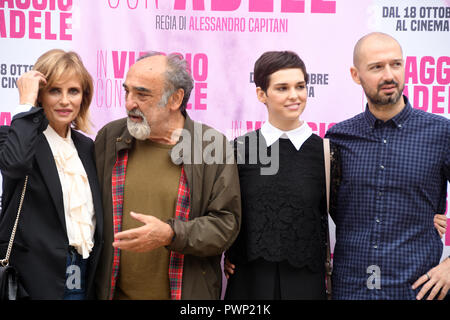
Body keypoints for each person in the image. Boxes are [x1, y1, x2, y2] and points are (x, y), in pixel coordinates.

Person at [94, 52, 241, 300]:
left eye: (142, 94)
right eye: (127, 92)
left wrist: (171, 235)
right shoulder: (110, 137)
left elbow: (226, 225)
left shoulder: (211, 146)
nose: (130, 103)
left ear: (175, 99)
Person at [325, 32, 450, 300]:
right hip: (351, 289)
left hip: (416, 289)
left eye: (396, 64)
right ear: (355, 75)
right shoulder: (338, 138)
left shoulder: (441, 133)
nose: (389, 75)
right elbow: (319, 208)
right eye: (376, 67)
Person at [224, 51, 331, 299]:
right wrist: (225, 251)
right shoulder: (238, 150)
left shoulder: (326, 153)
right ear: (262, 94)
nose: (294, 95)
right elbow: (223, 212)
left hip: (307, 284)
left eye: (300, 86)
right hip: (248, 283)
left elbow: (353, 213)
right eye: (282, 88)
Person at [0, 49, 103, 299]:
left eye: (74, 91)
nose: (65, 101)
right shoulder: (14, 138)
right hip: (32, 279)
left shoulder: (86, 146)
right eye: (55, 90)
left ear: (84, 97)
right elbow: (14, 164)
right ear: (40, 95)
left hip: (82, 272)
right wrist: (25, 103)